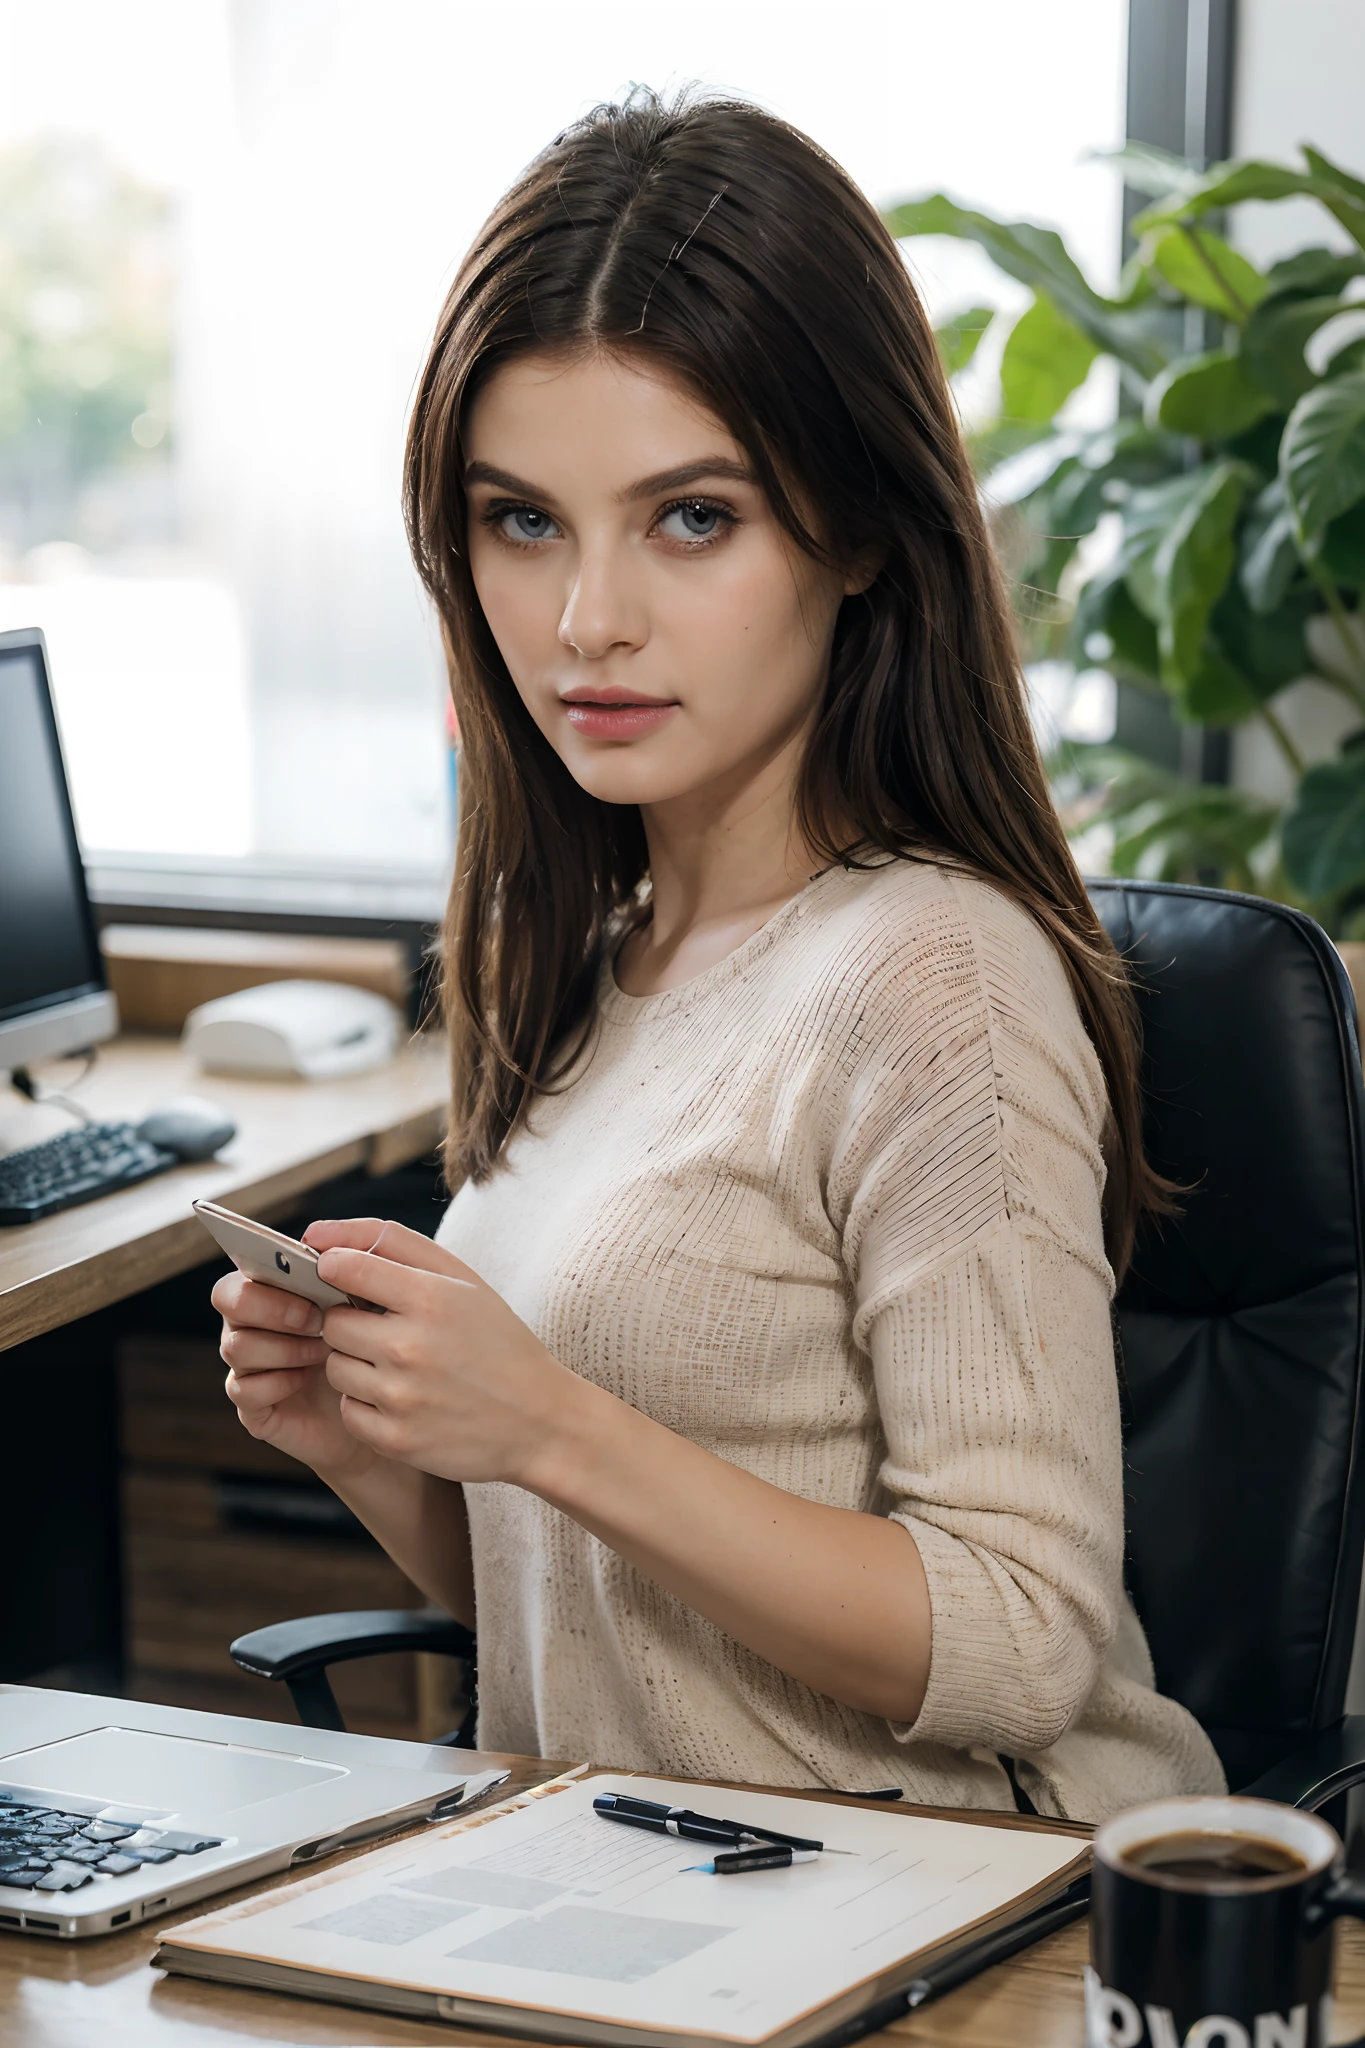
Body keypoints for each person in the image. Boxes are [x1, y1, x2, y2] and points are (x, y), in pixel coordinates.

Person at [215, 90, 1223, 1820]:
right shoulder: (605, 956)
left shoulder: (935, 982)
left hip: (946, 1908)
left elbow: (1024, 1633)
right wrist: (376, 1443)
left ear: (854, 530)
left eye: (691, 518)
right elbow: (597, 1613)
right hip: (629, 1885)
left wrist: (548, 1425)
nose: (586, 616)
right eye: (522, 520)